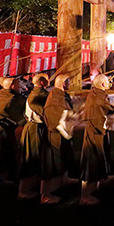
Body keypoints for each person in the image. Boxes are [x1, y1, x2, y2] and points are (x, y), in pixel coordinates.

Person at [41, 74, 79, 204]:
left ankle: (64, 178)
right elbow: (55, 114)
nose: (70, 84)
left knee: (64, 156)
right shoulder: (55, 97)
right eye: (68, 82)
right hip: (56, 133)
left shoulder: (61, 95)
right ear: (63, 83)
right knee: (52, 161)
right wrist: (72, 117)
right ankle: (46, 194)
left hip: (63, 132)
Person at [80, 74, 114, 205]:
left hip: (96, 129)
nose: (108, 83)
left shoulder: (94, 93)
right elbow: (110, 109)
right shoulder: (100, 97)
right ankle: (85, 195)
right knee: (92, 159)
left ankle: (102, 178)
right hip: (95, 131)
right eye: (107, 82)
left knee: (99, 156)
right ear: (102, 84)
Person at [18, 73, 50, 200]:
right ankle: (23, 190)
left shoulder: (38, 94)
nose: (49, 80)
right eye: (46, 79)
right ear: (42, 82)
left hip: (38, 128)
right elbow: (46, 113)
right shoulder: (37, 96)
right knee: (31, 158)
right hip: (34, 129)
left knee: (38, 157)